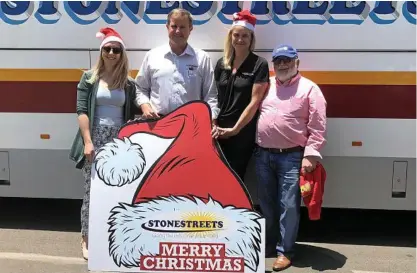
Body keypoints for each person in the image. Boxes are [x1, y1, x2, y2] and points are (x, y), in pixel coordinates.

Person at [68, 27, 140, 260]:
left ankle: (115, 236)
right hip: (96, 137)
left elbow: (136, 108)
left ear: (122, 53)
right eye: (107, 49)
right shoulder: (89, 78)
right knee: (92, 191)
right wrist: (88, 141)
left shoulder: (128, 83)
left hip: (120, 139)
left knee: (120, 190)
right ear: (101, 52)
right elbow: (81, 111)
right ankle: (87, 238)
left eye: (116, 50)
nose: (111, 53)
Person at [254, 44, 327, 271]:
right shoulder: (267, 87)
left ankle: (285, 252)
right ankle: (269, 245)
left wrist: (311, 155)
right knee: (266, 204)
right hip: (263, 155)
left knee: (289, 206)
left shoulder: (309, 89)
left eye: (287, 60)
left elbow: (318, 125)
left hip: (292, 157)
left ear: (296, 62)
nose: (283, 64)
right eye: (278, 61)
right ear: (273, 65)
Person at [134, 8, 219, 135]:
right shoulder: (152, 56)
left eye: (182, 27)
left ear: (190, 28)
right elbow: (140, 88)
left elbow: (210, 95)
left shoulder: (202, 58)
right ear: (167, 27)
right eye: (174, 26)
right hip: (157, 124)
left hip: (191, 127)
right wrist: (145, 105)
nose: (178, 31)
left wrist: (212, 120)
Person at [214, 10, 269, 182]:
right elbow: (213, 95)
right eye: (236, 35)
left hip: (241, 133)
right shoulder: (222, 63)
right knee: (215, 177)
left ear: (251, 39)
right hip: (217, 132)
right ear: (230, 37)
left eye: (245, 36)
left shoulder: (259, 64)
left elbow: (254, 102)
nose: (240, 39)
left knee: (234, 180)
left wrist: (235, 130)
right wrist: (213, 123)